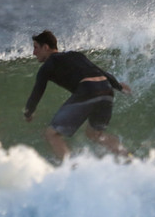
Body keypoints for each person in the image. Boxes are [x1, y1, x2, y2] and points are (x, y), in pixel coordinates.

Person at [23, 30, 132, 161]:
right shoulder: (76, 55)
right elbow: (100, 71)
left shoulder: (47, 66)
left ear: (46, 47)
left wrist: (29, 112)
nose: (34, 53)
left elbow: (37, 91)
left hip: (87, 90)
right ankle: (128, 156)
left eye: (36, 47)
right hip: (106, 90)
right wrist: (119, 87)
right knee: (95, 134)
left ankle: (71, 170)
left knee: (51, 134)